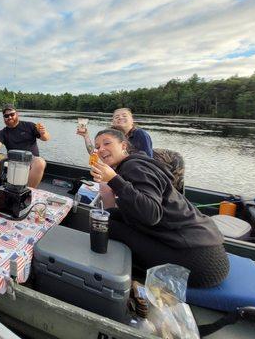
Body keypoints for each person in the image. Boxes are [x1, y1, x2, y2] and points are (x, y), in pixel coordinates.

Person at [90, 129, 229, 288]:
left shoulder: (133, 167)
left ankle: (110, 277)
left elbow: (151, 214)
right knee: (109, 215)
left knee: (103, 226)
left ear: (123, 146)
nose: (101, 149)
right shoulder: (136, 163)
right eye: (97, 146)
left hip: (201, 265)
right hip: (202, 245)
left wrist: (114, 180)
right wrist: (110, 187)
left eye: (107, 143)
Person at [0, 104, 50, 188]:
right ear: (4, 118)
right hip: (12, 161)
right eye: (6, 116)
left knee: (40, 162)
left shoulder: (29, 126)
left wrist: (43, 133)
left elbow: (46, 138)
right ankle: (7, 183)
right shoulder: (2, 133)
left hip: (30, 160)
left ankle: (28, 190)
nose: (9, 117)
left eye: (12, 114)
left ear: (17, 114)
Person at [77, 108, 153, 157]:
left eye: (124, 115)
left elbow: (149, 161)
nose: (120, 117)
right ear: (113, 122)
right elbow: (95, 154)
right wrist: (85, 136)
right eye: (116, 117)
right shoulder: (111, 136)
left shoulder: (140, 134)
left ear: (132, 120)